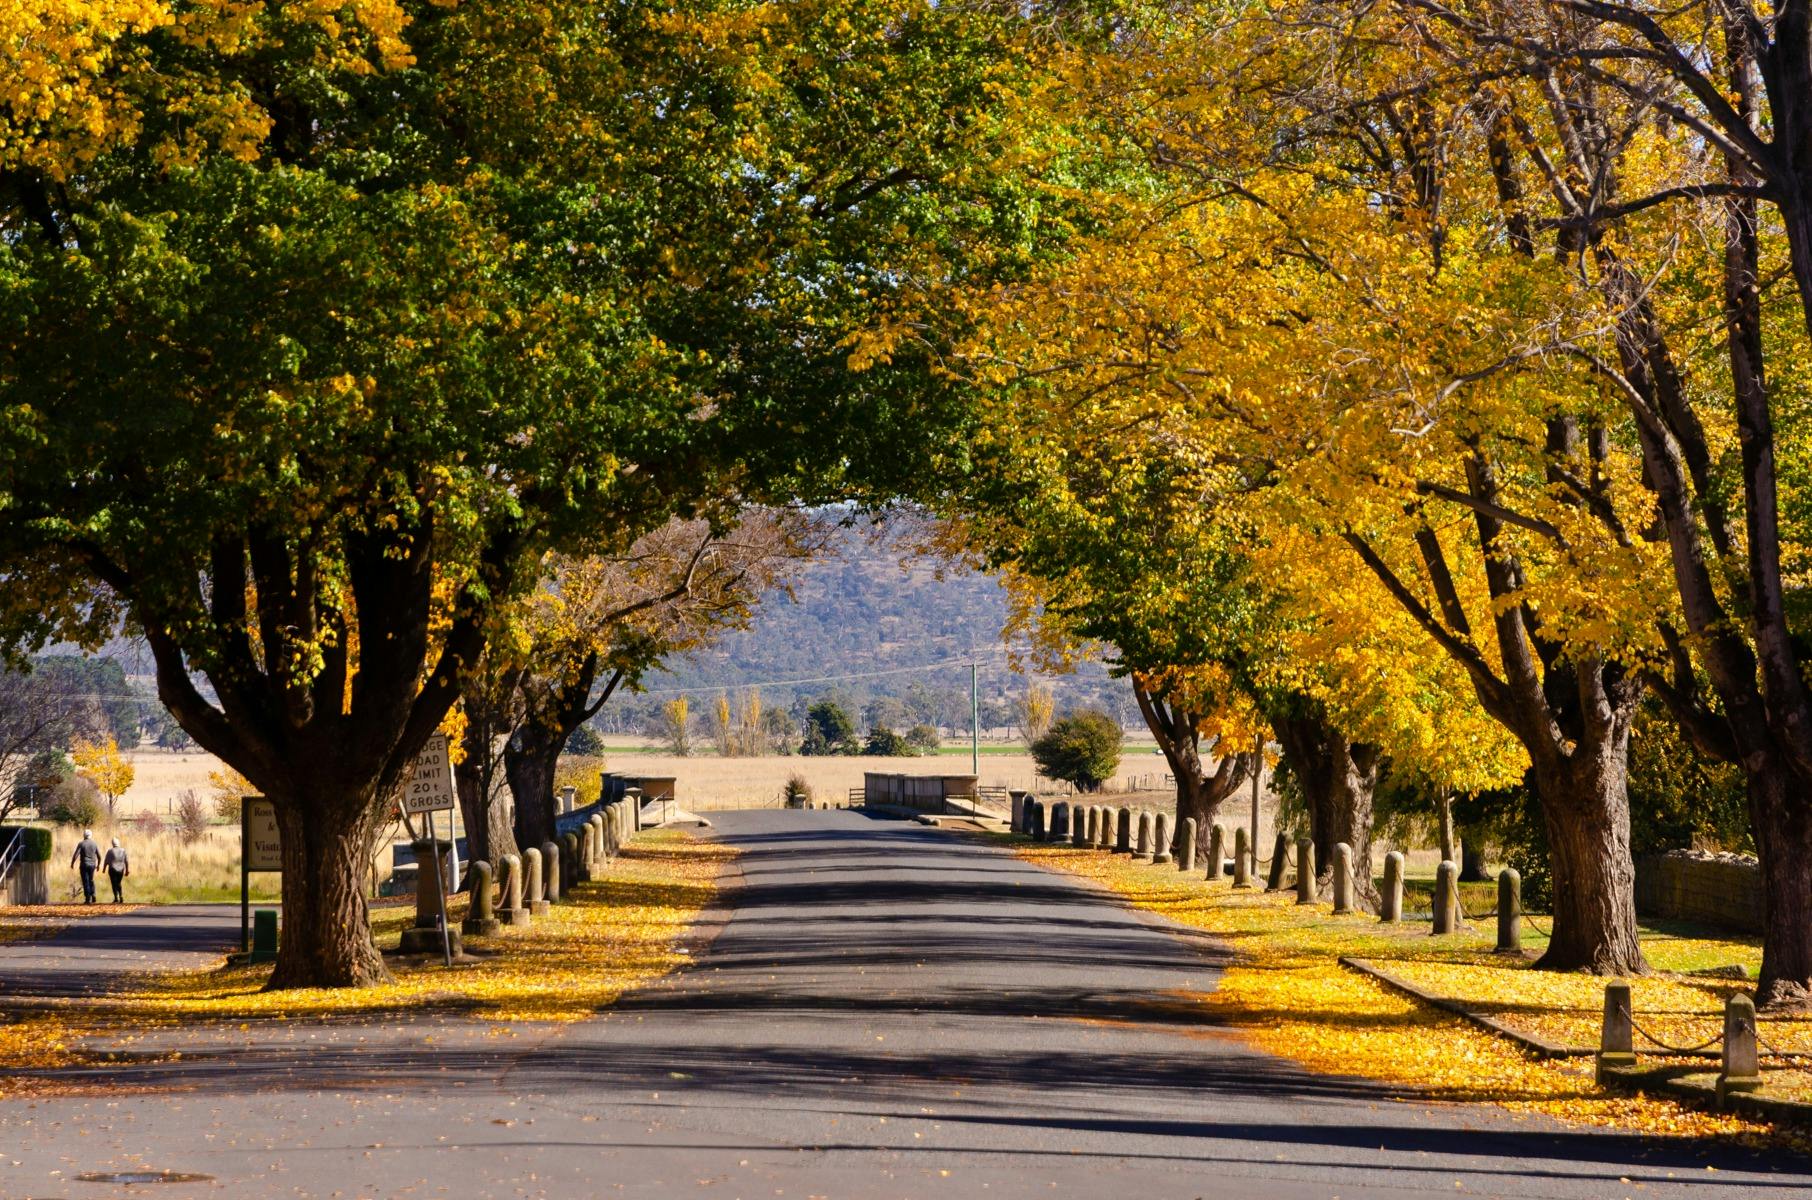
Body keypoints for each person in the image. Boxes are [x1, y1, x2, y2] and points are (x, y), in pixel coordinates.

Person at [70, 828, 101, 904]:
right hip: (92, 865)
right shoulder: (94, 844)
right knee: (91, 880)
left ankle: (88, 898)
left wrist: (72, 863)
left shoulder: (81, 843)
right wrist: (98, 865)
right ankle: (93, 894)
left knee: (85, 881)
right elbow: (99, 856)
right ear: (91, 835)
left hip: (84, 864)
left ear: (84, 835)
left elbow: (76, 855)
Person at [103, 837, 129, 904]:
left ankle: (116, 898)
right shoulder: (123, 850)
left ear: (112, 843)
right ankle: (121, 896)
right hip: (121, 870)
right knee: (118, 883)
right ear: (118, 843)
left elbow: (106, 861)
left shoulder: (110, 851)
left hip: (112, 869)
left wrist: (104, 869)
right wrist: (127, 870)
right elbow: (126, 861)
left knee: (113, 884)